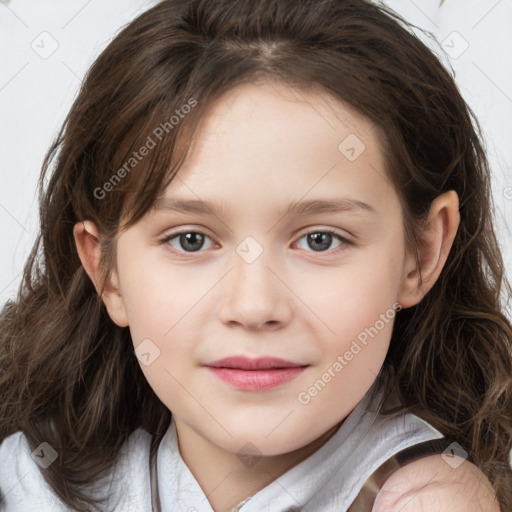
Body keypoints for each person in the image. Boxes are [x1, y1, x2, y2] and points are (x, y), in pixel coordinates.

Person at [0, 0, 511, 511]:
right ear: (106, 272)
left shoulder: (431, 500)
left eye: (320, 239)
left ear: (421, 254)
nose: (253, 305)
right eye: (191, 240)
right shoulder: (25, 482)